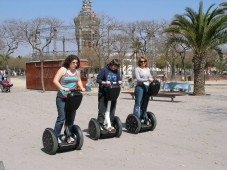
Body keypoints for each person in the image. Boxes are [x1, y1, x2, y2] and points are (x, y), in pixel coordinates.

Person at [53, 55, 86, 143]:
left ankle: (68, 135)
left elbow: (78, 80)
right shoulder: (63, 70)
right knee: (62, 117)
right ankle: (56, 136)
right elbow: (55, 80)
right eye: (73, 63)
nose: (75, 64)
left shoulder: (77, 72)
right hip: (62, 97)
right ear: (69, 62)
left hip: (72, 98)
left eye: (76, 63)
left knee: (71, 118)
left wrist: (82, 87)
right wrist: (62, 88)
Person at [96, 59, 122, 131]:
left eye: (116, 66)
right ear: (111, 64)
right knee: (102, 109)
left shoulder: (117, 72)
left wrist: (119, 81)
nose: (114, 67)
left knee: (112, 109)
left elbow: (119, 79)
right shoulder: (104, 70)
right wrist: (104, 82)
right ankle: (100, 124)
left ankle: (110, 123)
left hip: (113, 92)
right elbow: (98, 80)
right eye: (114, 65)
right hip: (103, 92)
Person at [133, 56, 153, 125]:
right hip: (140, 87)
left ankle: (143, 117)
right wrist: (147, 79)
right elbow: (138, 79)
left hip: (147, 87)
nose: (143, 63)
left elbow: (150, 76)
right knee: (138, 103)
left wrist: (153, 79)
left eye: (144, 61)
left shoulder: (148, 69)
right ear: (139, 62)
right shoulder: (137, 69)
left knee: (145, 104)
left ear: (146, 62)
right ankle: (136, 119)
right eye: (141, 61)